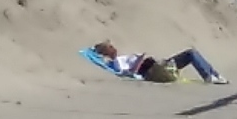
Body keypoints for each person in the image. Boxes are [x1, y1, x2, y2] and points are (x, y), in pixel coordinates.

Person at [92, 42, 229, 84]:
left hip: (157, 66)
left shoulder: (120, 59)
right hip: (154, 70)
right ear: (107, 53)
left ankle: (214, 74)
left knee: (191, 53)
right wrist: (140, 60)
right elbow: (130, 73)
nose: (114, 48)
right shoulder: (117, 63)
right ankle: (209, 76)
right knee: (190, 54)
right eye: (110, 48)